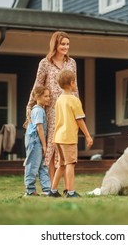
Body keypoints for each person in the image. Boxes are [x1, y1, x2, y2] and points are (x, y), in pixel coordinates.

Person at [26, 31, 79, 182]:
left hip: (67, 109)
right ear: (55, 44)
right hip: (51, 110)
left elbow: (75, 86)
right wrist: (30, 105)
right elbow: (38, 86)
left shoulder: (71, 63)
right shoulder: (45, 63)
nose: (65, 47)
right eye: (63, 44)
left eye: (67, 44)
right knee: (52, 146)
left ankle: (64, 185)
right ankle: (50, 185)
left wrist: (77, 107)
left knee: (65, 145)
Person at [47, 70, 93, 198]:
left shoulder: (59, 100)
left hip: (58, 137)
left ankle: (53, 191)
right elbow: (80, 120)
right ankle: (71, 192)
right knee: (70, 164)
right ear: (72, 83)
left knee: (61, 164)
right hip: (68, 138)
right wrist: (88, 136)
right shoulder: (74, 100)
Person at [23, 85, 51, 196]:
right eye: (46, 96)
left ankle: (47, 189)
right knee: (32, 165)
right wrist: (44, 145)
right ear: (38, 97)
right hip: (35, 141)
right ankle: (30, 190)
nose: (48, 98)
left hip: (38, 141)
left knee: (43, 165)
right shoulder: (38, 110)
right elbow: (39, 128)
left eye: (49, 96)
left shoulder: (40, 109)